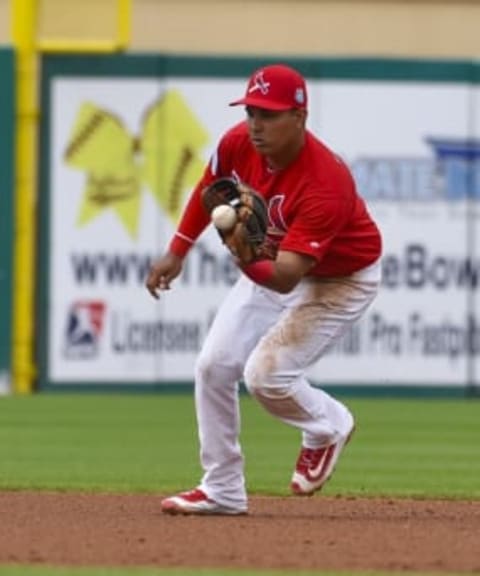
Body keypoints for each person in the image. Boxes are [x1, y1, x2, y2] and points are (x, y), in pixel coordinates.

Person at [146, 63, 382, 515]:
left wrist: (244, 258)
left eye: (269, 114)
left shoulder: (325, 183)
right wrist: (177, 250)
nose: (256, 124)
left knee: (266, 376)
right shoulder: (238, 141)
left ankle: (330, 424)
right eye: (252, 110)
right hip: (271, 263)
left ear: (300, 117)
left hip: (340, 279)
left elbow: (288, 275)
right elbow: (208, 188)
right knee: (213, 366)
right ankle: (222, 489)